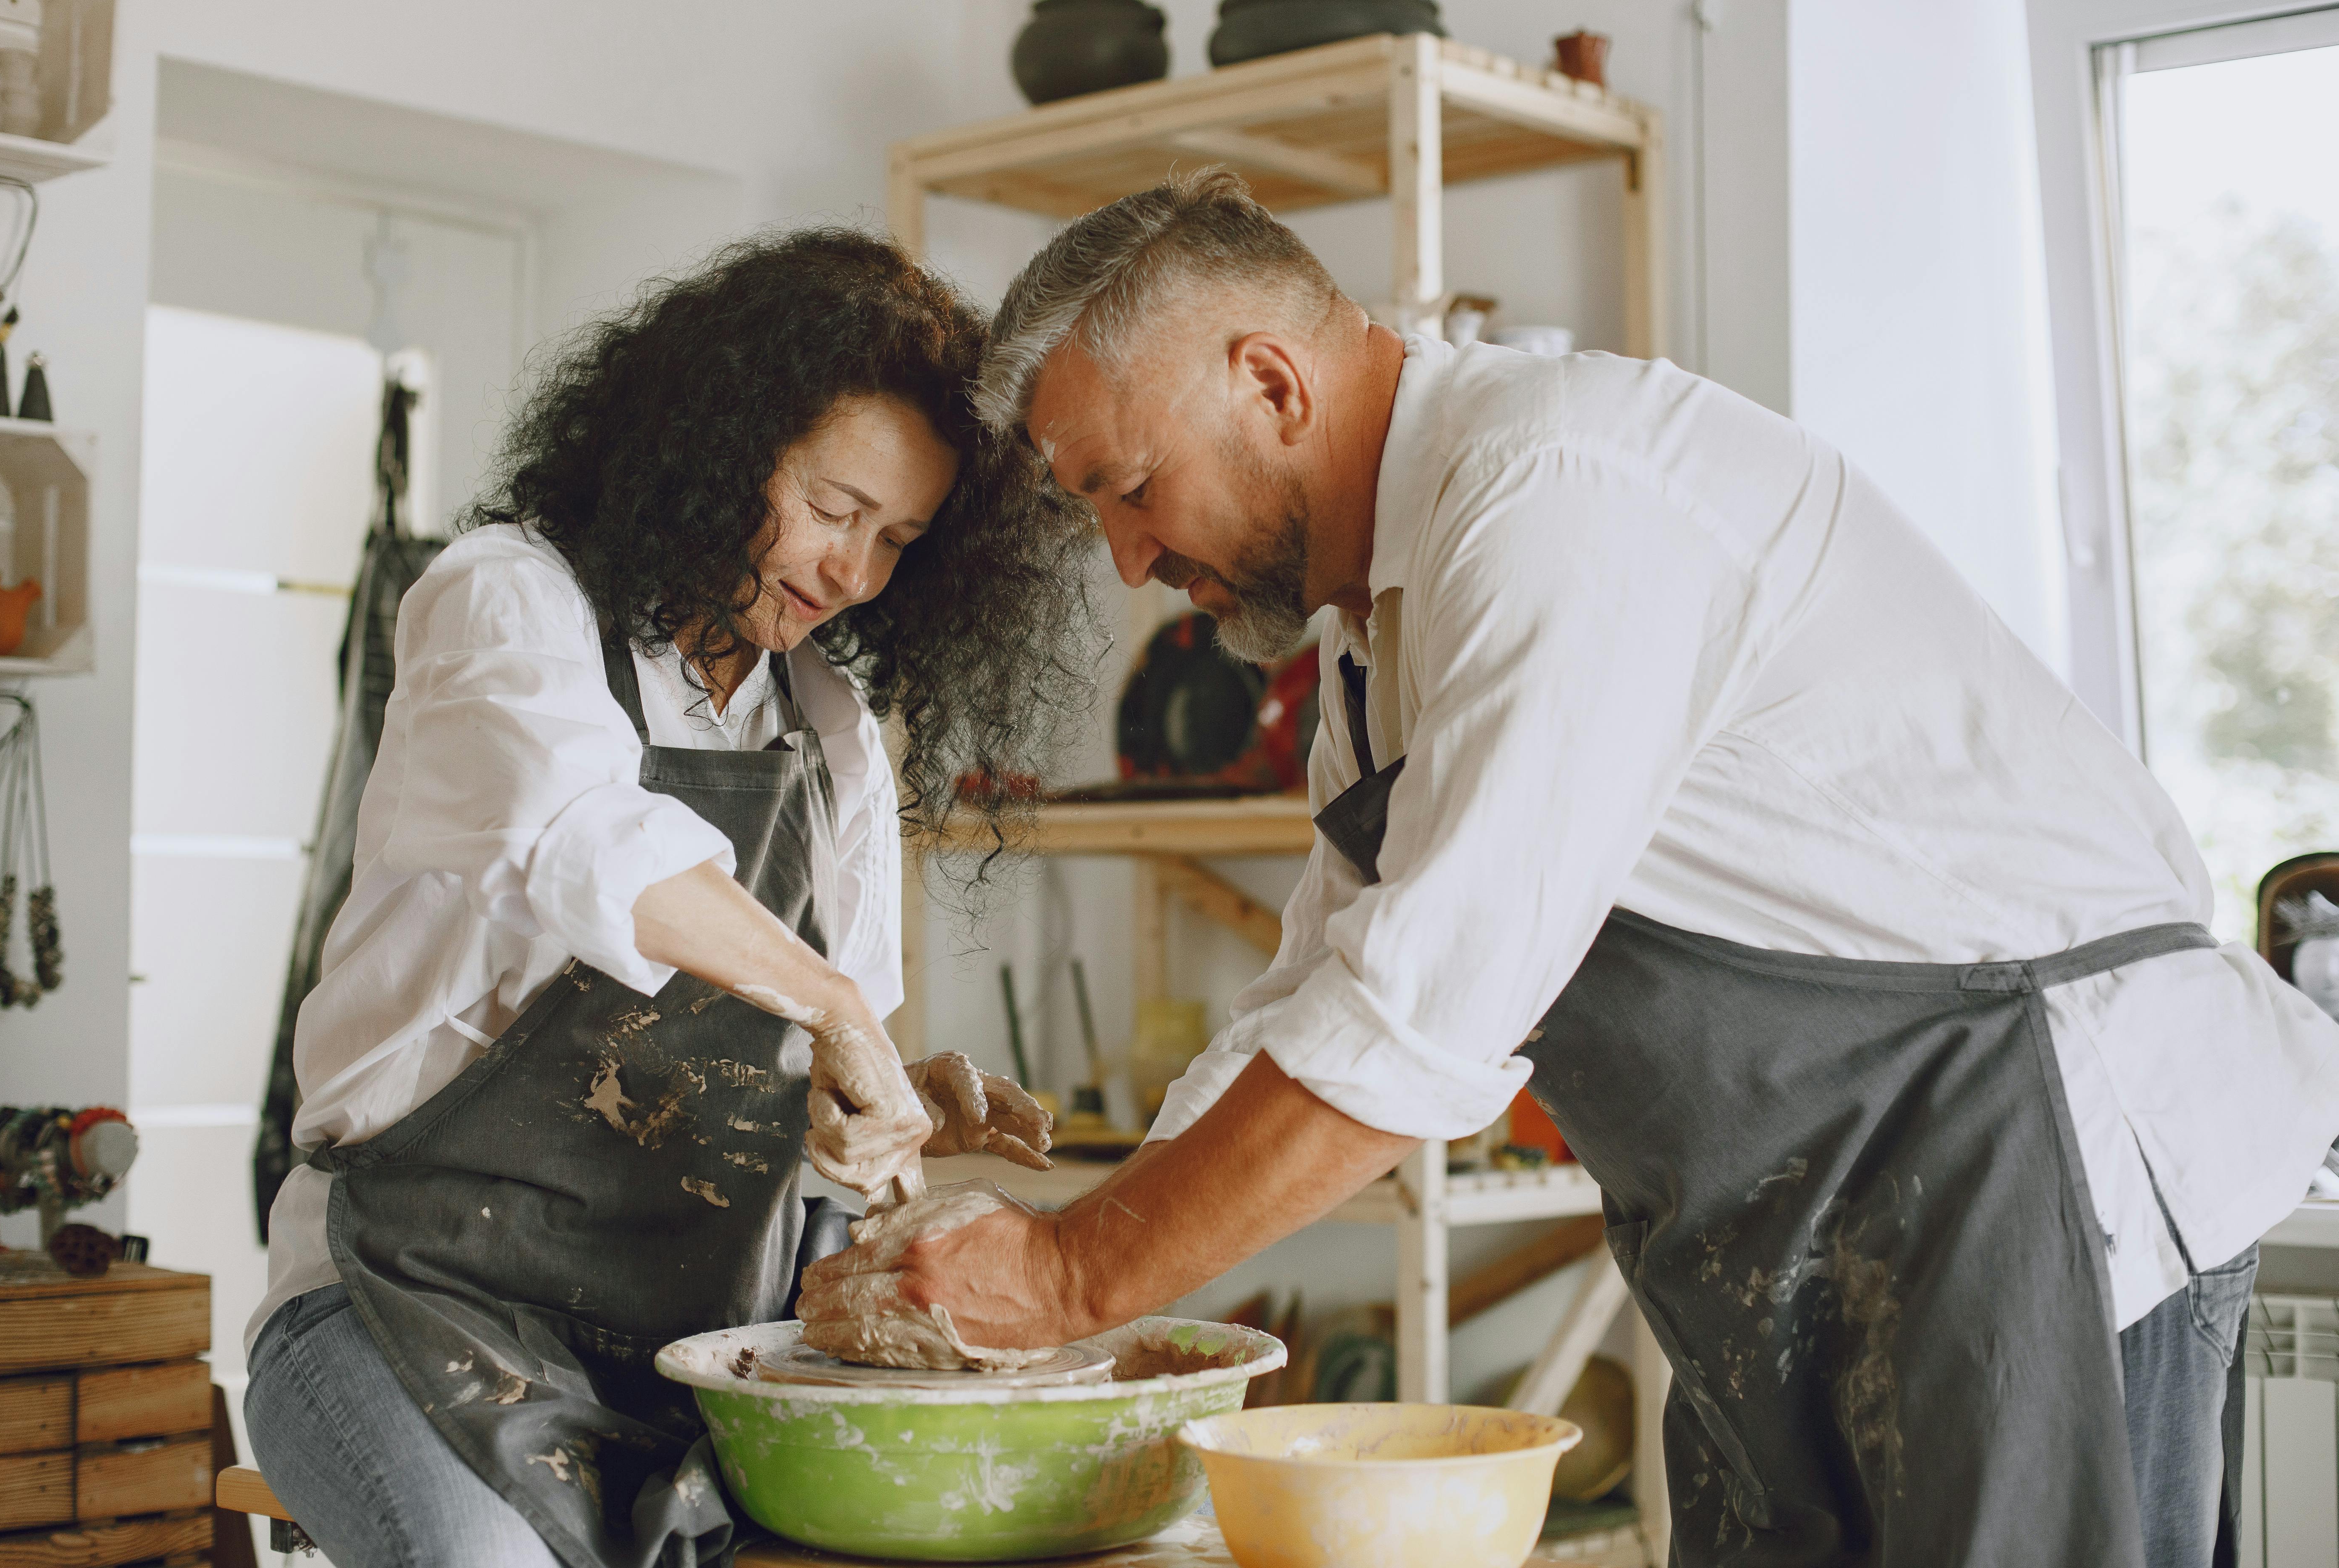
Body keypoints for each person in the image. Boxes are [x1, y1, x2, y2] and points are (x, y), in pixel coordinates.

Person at [797, 170, 2339, 1568]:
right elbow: (1312, 1008)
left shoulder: (1558, 497)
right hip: (1810, 1251)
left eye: (1131, 490)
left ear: (1270, 383)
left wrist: (1075, 1278)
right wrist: (1052, 1256)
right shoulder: (1370, 650)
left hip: (2037, 1172)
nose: (1132, 563)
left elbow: (1421, 1024)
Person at [244, 230, 1093, 1568]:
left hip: (692, 1358)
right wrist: (830, 1005)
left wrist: (890, 1098)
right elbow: (593, 844)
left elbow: (804, 1067)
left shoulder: (830, 727)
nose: (853, 573)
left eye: (897, 539)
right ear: (722, 441)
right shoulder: (508, 604)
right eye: (833, 508)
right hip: (401, 1310)